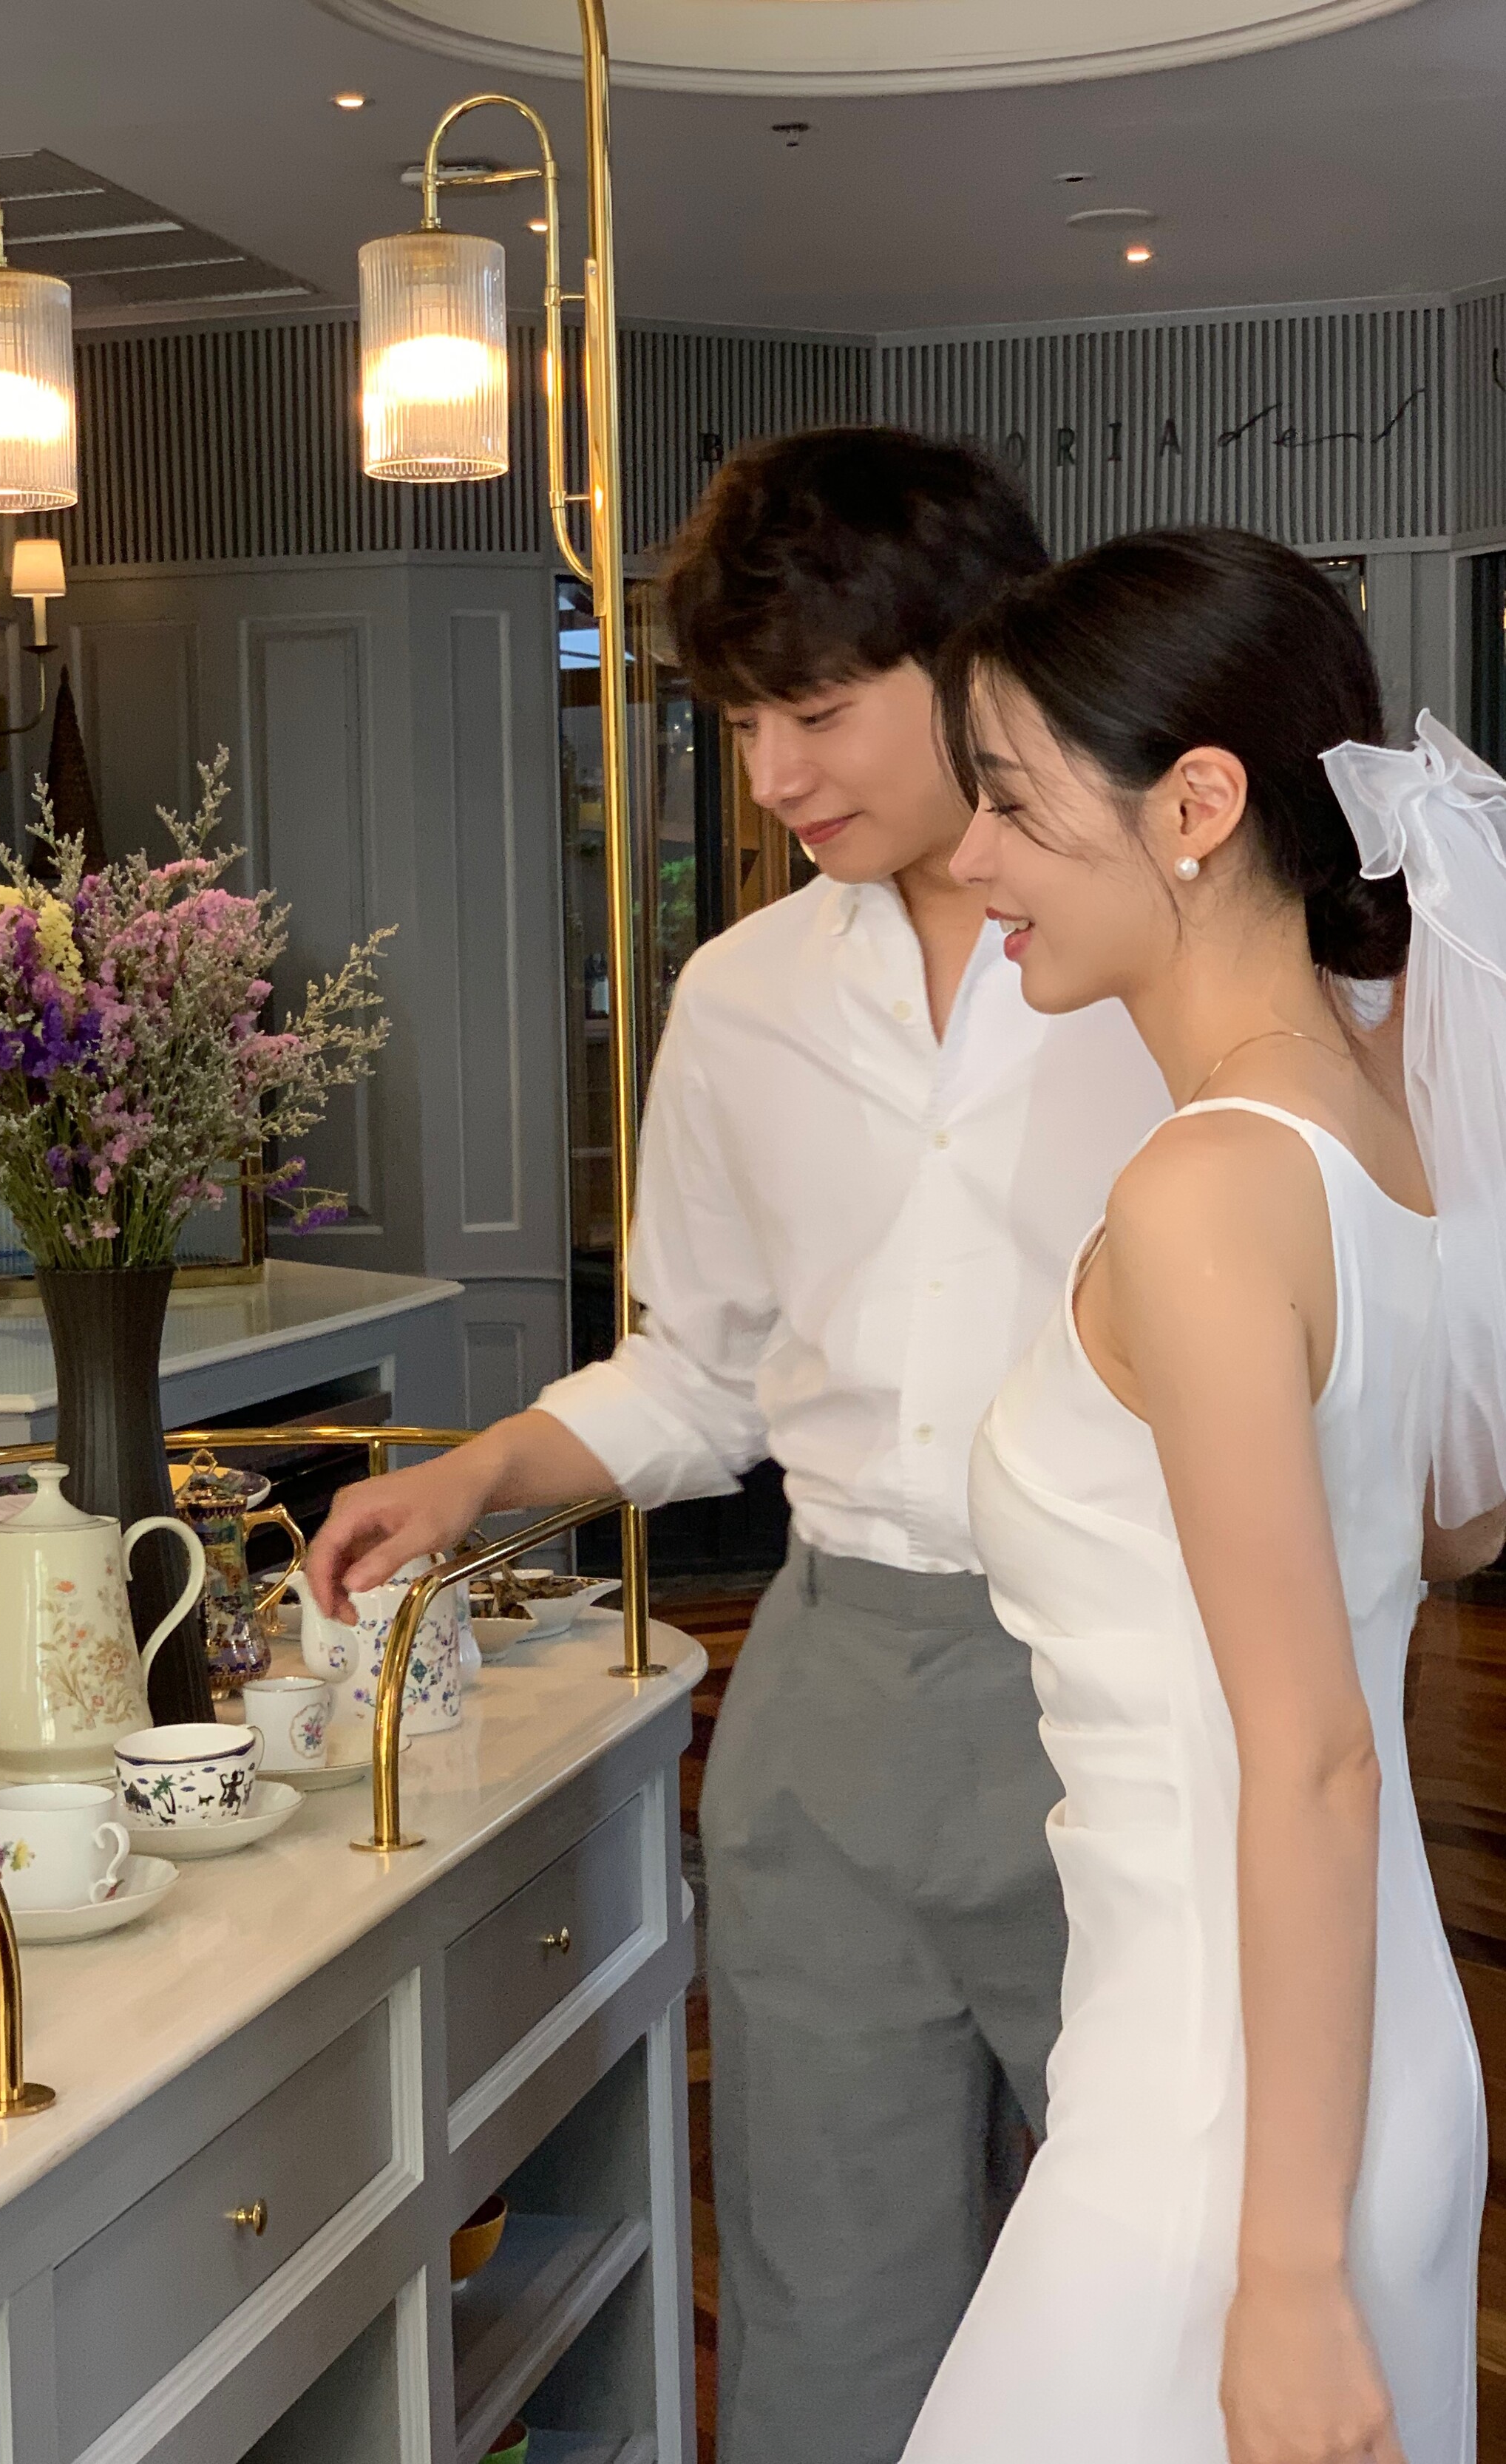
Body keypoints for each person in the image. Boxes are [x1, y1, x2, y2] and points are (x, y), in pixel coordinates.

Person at [305, 426, 1168, 2460]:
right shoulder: (740, 996)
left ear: (978, 659)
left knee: (1153, 2290)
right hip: (834, 1692)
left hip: (1141, 1684)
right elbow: (696, 1374)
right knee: (826, 2293)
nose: (771, 774)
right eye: (740, 720)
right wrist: (477, 1474)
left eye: (816, 709)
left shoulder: (1170, 961)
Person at [903, 526, 1495, 2463]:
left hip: (1227, 2114)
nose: (968, 857)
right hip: (1357, 2053)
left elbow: (1313, 1754)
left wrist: (1287, 2273)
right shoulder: (1376, 1129)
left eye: (1008, 801)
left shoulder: (1204, 1190)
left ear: (1196, 805)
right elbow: (1450, 1526)